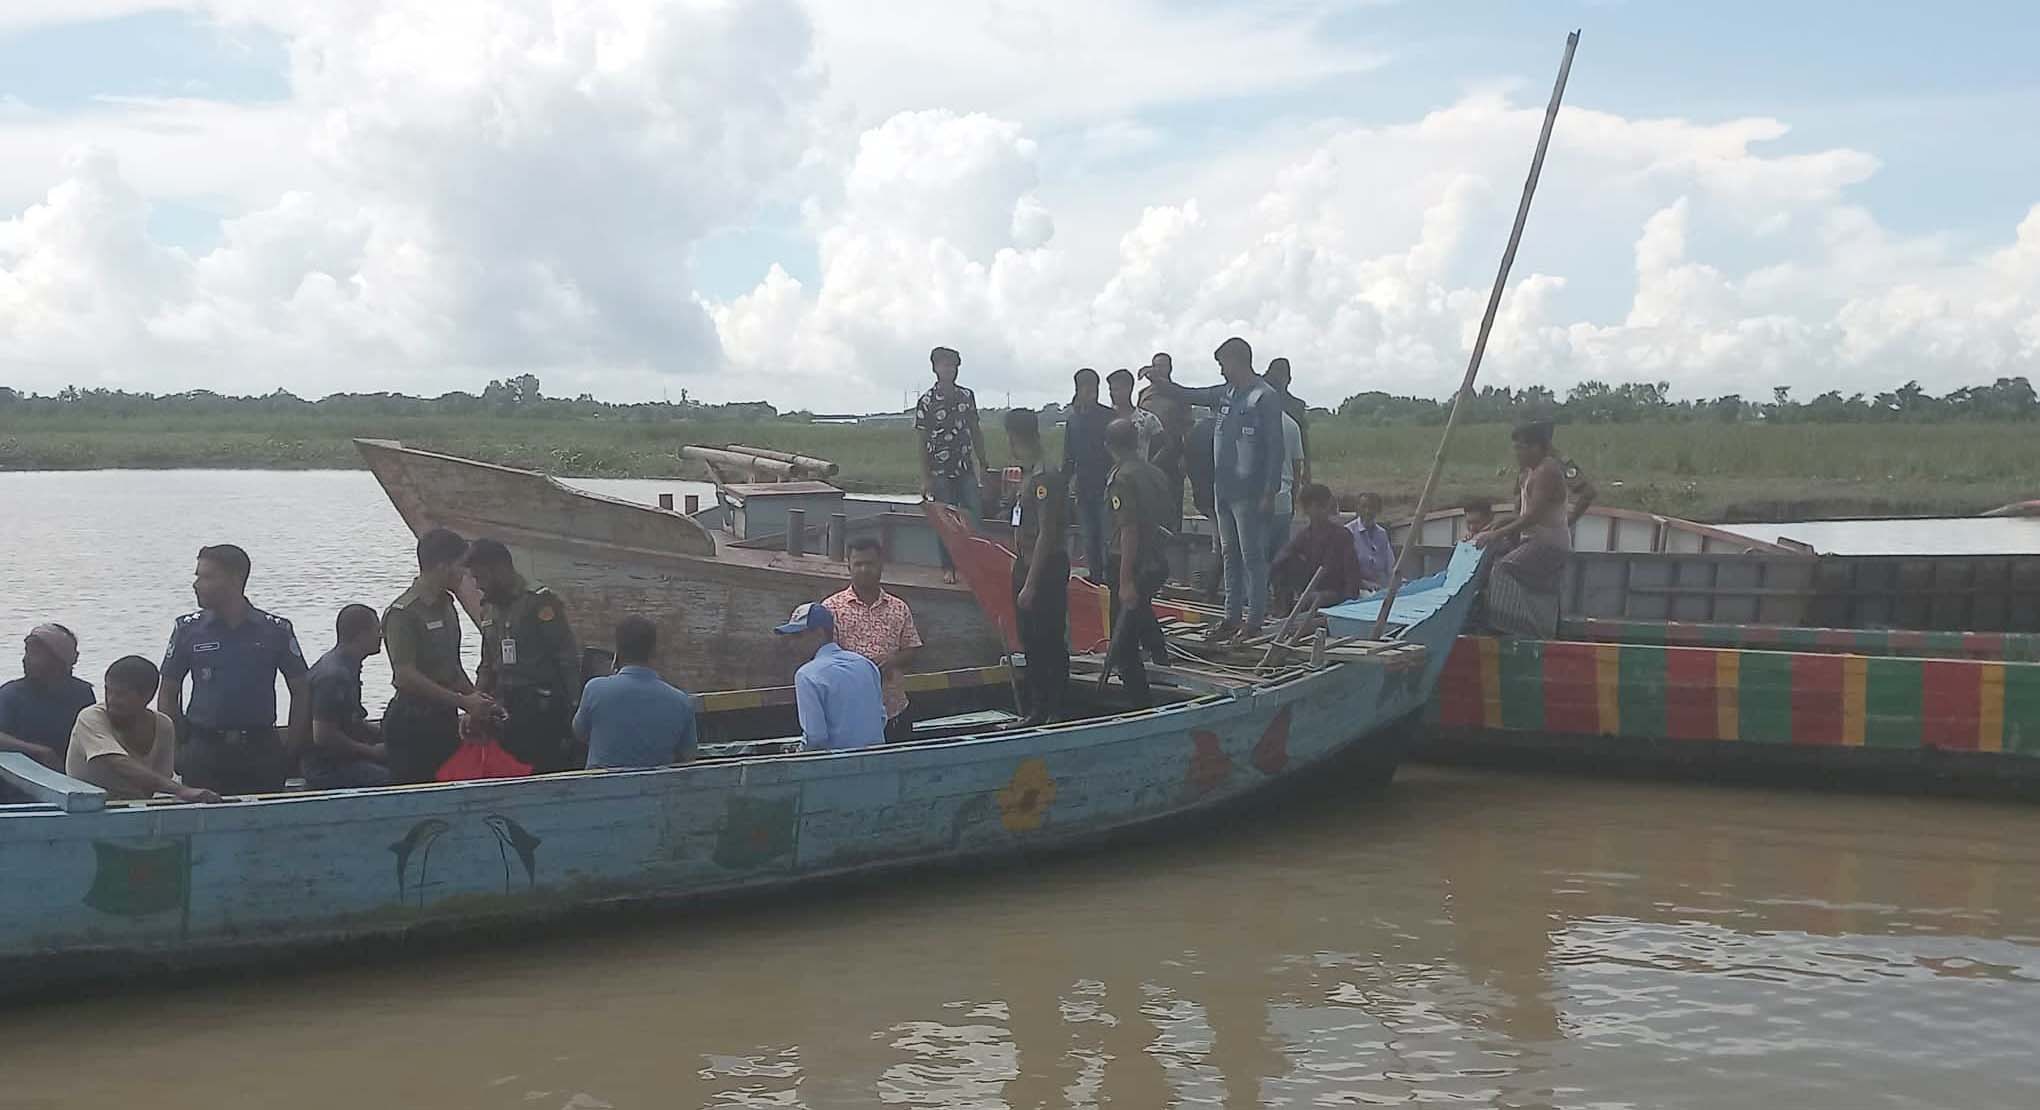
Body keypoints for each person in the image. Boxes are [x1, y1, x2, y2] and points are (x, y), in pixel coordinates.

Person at [1145, 336, 1287, 642]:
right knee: (1229, 554)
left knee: (1252, 557)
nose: (1221, 371)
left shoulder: (1264, 397)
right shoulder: (1225, 394)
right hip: (1223, 490)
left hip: (1250, 492)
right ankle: (1231, 616)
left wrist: (1269, 491)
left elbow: (1276, 448)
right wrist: (1161, 381)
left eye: (1223, 364)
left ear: (1236, 360)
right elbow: (1188, 394)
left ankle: (1255, 618)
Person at [158, 543, 309, 796]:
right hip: (204, 750)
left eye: (206, 577)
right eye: (197, 576)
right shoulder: (187, 630)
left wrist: (291, 747)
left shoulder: (275, 630)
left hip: (260, 750)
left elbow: (301, 690)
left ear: (235, 578)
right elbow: (168, 691)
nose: (196, 584)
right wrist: (179, 746)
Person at [382, 527, 497, 783]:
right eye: (460, 565)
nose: (465, 573)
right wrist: (463, 703)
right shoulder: (404, 613)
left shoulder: (447, 607)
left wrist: (477, 700)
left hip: (442, 719)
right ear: (443, 566)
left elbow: (451, 667)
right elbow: (405, 675)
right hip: (412, 723)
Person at [469, 539, 583, 773]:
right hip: (504, 708)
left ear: (499, 569)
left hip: (540, 708)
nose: (479, 586)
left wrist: (574, 706)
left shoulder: (539, 601)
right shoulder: (489, 608)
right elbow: (487, 665)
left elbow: (566, 657)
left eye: (482, 578)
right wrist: (475, 704)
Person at [68, 656, 221, 803]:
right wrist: (181, 790)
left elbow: (161, 779)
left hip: (137, 806)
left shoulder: (163, 725)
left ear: (147, 696)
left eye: (121, 694)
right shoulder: (91, 717)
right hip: (87, 807)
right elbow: (115, 761)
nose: (111, 700)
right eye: (108, 690)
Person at [1473, 420, 1573, 637]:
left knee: (1503, 569)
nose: (1517, 453)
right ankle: (1487, 618)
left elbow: (1533, 516)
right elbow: (1524, 514)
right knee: (1490, 558)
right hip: (1534, 541)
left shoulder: (1547, 471)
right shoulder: (1532, 471)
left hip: (1549, 545)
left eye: (1521, 447)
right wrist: (1498, 524)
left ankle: (1517, 630)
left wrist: (1496, 534)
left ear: (1537, 447)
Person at [1100, 418, 1173, 706]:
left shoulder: (1121, 478)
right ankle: (1160, 654)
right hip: (1156, 558)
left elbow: (1128, 529)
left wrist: (1125, 579)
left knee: (1125, 641)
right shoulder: (1155, 472)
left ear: (1109, 446)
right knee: (1141, 611)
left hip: (1129, 560)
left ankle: (1138, 703)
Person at [1004, 408, 1070, 725]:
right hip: (1026, 563)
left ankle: (1055, 708)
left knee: (1049, 640)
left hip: (1044, 567)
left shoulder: (1045, 476)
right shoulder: (1028, 474)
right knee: (1030, 640)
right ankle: (1037, 708)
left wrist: (1031, 582)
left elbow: (1047, 532)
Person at [822, 537, 923, 741]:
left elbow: (912, 649)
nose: (864, 569)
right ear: (848, 566)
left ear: (881, 565)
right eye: (858, 564)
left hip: (894, 708)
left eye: (870, 563)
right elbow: (822, 660)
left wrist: (893, 660)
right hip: (849, 714)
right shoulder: (831, 609)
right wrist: (857, 668)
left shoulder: (898, 608)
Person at [574, 616, 699, 770]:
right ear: (653, 653)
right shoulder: (681, 701)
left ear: (617, 654)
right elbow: (688, 755)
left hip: (601, 790)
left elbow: (580, 732)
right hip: (658, 791)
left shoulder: (594, 689)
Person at [915, 346, 989, 583]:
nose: (951, 370)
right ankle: (948, 567)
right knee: (945, 520)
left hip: (965, 467)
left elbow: (975, 430)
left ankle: (977, 564)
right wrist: (925, 477)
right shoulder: (926, 401)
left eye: (954, 366)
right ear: (935, 368)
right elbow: (922, 441)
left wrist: (984, 463)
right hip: (939, 470)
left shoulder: (967, 396)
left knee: (974, 514)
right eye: (946, 365)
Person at [775, 603, 885, 752]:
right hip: (878, 760)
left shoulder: (807, 675)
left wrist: (798, 752)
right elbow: (881, 717)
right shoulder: (865, 664)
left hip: (838, 767)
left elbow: (816, 737)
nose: (792, 643)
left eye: (798, 636)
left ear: (820, 633)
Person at [304, 604, 390, 790]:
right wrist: (372, 752)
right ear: (360, 635)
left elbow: (351, 719)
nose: (381, 636)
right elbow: (323, 736)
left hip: (340, 759)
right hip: (325, 767)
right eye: (377, 630)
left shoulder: (347, 666)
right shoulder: (334, 675)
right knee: (392, 778)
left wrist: (383, 734)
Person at [0, 624, 94, 772]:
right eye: (27, 653)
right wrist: (37, 750)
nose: (25, 660)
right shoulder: (11, 694)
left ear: (59, 660)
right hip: (19, 776)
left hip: (68, 773)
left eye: (35, 654)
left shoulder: (82, 693)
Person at [1273, 484, 1370, 615]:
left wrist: (1349, 604)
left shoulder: (1341, 535)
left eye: (1324, 506)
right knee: (1285, 565)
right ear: (1307, 509)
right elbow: (1280, 562)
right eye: (1316, 506)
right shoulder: (1304, 536)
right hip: (1311, 591)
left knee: (1316, 598)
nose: (1321, 510)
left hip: (1336, 593)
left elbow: (1352, 574)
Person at [1062, 367, 1116, 581]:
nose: (1090, 392)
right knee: (1088, 537)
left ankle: (1109, 579)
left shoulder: (1109, 417)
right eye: (1085, 387)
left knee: (1106, 538)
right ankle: (1095, 578)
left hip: (1107, 487)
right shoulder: (1073, 420)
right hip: (1084, 488)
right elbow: (1068, 457)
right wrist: (1063, 485)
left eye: (1093, 387)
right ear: (1078, 389)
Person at [1138, 354, 1190, 534]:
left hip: (1173, 452)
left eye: (1163, 366)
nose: (1159, 369)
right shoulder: (1143, 394)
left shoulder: (1178, 394)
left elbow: (1187, 426)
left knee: (1173, 496)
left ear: (1170, 368)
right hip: (1149, 452)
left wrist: (1185, 456)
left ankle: (1175, 534)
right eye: (1155, 366)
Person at [1266, 404, 1305, 565]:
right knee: (1279, 558)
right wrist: (1294, 499)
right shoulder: (1291, 424)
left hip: (1256, 501)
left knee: (1255, 560)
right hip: (1284, 501)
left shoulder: (1253, 421)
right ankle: (1279, 590)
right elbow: (1297, 469)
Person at [1263, 357, 1312, 481]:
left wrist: (1307, 468)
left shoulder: (1295, 406)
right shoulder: (1295, 406)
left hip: (1286, 467)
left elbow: (1303, 439)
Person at [1106, 368, 1164, 460]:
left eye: (1116, 389)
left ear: (1128, 389)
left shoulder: (1148, 419)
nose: (1112, 394)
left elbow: (1162, 447)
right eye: (1111, 390)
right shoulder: (1104, 418)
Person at [1344, 491, 1397, 592]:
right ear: (1358, 509)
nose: (1367, 511)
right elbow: (1344, 570)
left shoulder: (1382, 534)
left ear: (1378, 510)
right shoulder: (1348, 532)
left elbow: (1390, 566)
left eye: (1372, 508)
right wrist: (1363, 584)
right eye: (1364, 507)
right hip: (1359, 589)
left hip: (1382, 587)